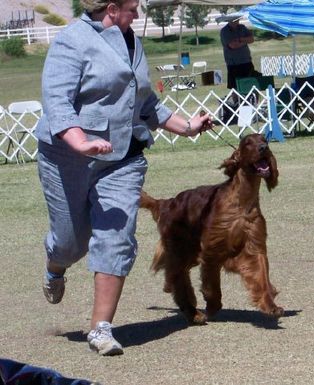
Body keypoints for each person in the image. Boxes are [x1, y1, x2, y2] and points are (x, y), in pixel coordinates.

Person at [36, 0, 212, 357]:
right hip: (68, 157)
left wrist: (188, 127)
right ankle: (56, 266)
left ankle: (101, 329)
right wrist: (79, 141)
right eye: (133, 8)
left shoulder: (132, 40)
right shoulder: (72, 40)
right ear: (112, 8)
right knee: (72, 242)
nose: (139, 15)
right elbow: (57, 100)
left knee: (117, 236)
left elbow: (145, 102)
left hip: (123, 159)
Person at [220, 18, 255, 90]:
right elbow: (232, 45)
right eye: (234, 20)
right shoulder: (224, 31)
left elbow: (251, 39)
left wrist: (240, 40)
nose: (237, 21)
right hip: (233, 63)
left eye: (237, 19)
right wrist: (245, 41)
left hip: (246, 61)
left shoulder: (242, 27)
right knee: (235, 87)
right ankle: (236, 101)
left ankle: (251, 100)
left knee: (251, 84)